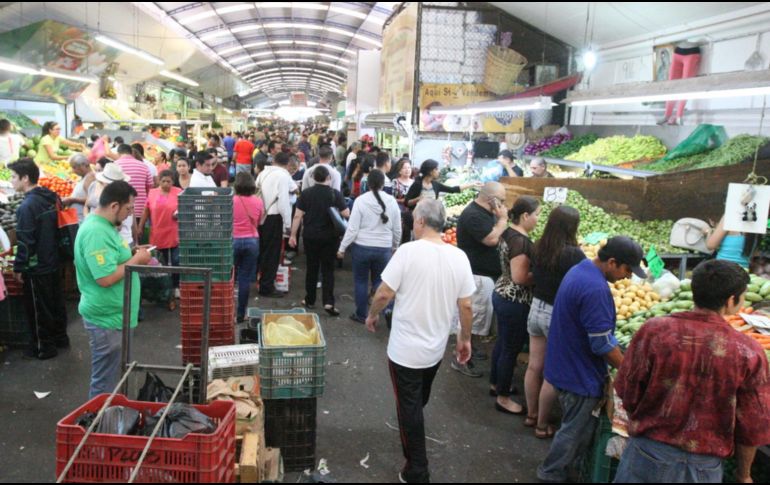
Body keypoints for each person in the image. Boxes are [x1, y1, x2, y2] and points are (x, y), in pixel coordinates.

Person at [613, 259, 770, 483]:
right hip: (702, 467)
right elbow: (752, 425)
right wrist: (744, 475)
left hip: (646, 453)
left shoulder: (654, 331)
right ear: (731, 300)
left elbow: (626, 387)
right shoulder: (748, 352)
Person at [364, 199, 475, 484]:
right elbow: (466, 306)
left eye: (414, 219)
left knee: (409, 406)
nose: (413, 223)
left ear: (422, 221)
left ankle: (417, 469)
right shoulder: (459, 257)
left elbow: (384, 293)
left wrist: (372, 315)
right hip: (434, 349)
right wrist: (465, 338)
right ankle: (413, 438)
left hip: (404, 350)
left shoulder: (407, 252)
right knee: (416, 401)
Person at [537, 236, 646, 483]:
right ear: (612, 262)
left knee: (575, 428)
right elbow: (602, 344)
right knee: (573, 431)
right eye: (627, 270)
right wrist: (628, 369)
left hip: (566, 364)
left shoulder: (581, 269)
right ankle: (550, 474)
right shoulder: (595, 288)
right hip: (578, 373)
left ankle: (563, 471)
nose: (628, 277)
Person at [75, 181, 152, 398]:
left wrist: (132, 252)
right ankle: (98, 425)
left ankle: (110, 419)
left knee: (113, 377)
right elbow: (106, 278)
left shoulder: (105, 227)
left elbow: (111, 261)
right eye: (128, 209)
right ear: (114, 206)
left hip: (116, 316)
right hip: (105, 319)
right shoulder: (96, 232)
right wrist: (136, 259)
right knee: (104, 382)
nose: (129, 215)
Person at [525, 206, 585, 439]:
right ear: (573, 227)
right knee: (552, 373)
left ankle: (531, 415)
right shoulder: (574, 254)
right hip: (557, 314)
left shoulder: (539, 246)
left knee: (533, 365)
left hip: (536, 308)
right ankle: (542, 425)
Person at [8, 158, 69, 360]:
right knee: (55, 302)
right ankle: (60, 338)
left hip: (37, 265)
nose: (11, 181)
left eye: (14, 177)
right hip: (53, 260)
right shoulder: (51, 196)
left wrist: (19, 267)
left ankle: (44, 347)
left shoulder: (26, 207)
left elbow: (25, 242)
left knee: (38, 308)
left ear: (25, 178)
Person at [452, 182, 509, 378]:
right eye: (501, 200)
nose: (503, 205)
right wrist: (503, 220)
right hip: (475, 276)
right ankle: (460, 360)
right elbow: (491, 239)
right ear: (491, 199)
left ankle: (469, 347)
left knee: (475, 320)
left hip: (482, 275)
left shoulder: (483, 213)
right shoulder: (474, 215)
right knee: (469, 319)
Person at [490, 196, 541, 415]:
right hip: (515, 300)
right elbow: (520, 277)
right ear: (525, 216)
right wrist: (542, 275)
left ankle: (497, 383)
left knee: (503, 343)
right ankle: (503, 398)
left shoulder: (507, 232)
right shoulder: (520, 241)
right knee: (510, 349)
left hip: (501, 291)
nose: (538, 219)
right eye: (537, 214)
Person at [338, 169, 401, 324]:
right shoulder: (392, 201)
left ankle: (361, 314)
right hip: (383, 249)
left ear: (368, 184)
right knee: (381, 282)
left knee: (361, 281)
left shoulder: (360, 200)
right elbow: (397, 228)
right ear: (382, 184)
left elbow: (352, 229)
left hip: (362, 247)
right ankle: (385, 310)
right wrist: (395, 246)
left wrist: (342, 248)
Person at [289, 166, 349, 315]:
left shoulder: (306, 193)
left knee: (312, 268)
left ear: (313, 178)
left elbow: (297, 216)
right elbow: (346, 213)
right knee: (328, 270)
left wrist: (292, 235)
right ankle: (328, 302)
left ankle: (310, 300)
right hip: (330, 237)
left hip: (310, 236)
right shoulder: (335, 194)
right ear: (329, 178)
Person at [138, 170, 182, 304]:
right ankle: (162, 289)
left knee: (176, 261)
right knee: (160, 263)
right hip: (158, 233)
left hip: (174, 232)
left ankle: (175, 286)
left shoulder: (179, 192)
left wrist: (179, 214)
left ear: (173, 182)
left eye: (169, 181)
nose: (166, 184)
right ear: (159, 181)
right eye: (163, 181)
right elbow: (146, 210)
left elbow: (186, 208)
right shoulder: (152, 193)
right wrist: (140, 226)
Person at [256, 151, 294, 298]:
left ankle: (260, 279)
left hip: (261, 216)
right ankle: (266, 286)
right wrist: (288, 224)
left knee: (263, 250)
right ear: (287, 164)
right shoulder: (283, 176)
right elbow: (284, 202)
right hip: (274, 217)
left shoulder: (263, 173)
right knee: (272, 254)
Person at [232, 172, 264, 323]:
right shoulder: (258, 201)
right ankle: (240, 314)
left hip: (233, 241)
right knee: (244, 279)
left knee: (229, 278)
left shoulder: (231, 201)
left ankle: (227, 311)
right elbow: (260, 222)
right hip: (252, 240)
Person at [115, 143, 153, 242]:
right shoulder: (143, 166)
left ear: (118, 153)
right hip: (141, 209)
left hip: (122, 209)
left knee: (123, 239)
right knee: (139, 239)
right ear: (132, 152)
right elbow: (150, 187)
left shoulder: (115, 165)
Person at [403, 159, 477, 210]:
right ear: (430, 171)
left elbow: (453, 189)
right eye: (436, 169)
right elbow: (406, 202)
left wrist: (472, 184)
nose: (438, 171)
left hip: (431, 218)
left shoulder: (435, 185)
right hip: (418, 219)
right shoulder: (417, 184)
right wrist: (418, 199)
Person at [62, 154, 96, 224]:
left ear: (83, 166)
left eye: (74, 167)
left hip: (82, 220)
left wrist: (72, 199)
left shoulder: (90, 178)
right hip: (77, 219)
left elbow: (91, 200)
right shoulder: (85, 177)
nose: (73, 171)